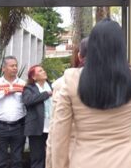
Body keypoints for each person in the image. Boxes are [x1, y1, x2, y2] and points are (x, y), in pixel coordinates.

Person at [49, 19, 131, 167]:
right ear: (121, 47)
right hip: (128, 162)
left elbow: (59, 136)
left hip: (86, 162)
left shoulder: (71, 79)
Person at [46, 36, 89, 168]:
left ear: (79, 56)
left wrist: (51, 163)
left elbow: (56, 131)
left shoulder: (64, 83)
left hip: (76, 154)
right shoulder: (127, 81)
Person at [0, 56, 26, 168]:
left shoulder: (23, 83)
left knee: (17, 160)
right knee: (0, 161)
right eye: (12, 66)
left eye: (16, 65)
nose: (15, 68)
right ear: (3, 68)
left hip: (19, 126)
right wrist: (6, 91)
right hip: (1, 127)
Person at [23, 65, 53, 168]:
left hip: (53, 126)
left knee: (53, 156)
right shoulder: (29, 88)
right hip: (36, 128)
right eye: (40, 71)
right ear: (34, 77)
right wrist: (46, 94)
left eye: (43, 70)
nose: (44, 71)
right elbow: (28, 100)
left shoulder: (53, 86)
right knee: (37, 158)